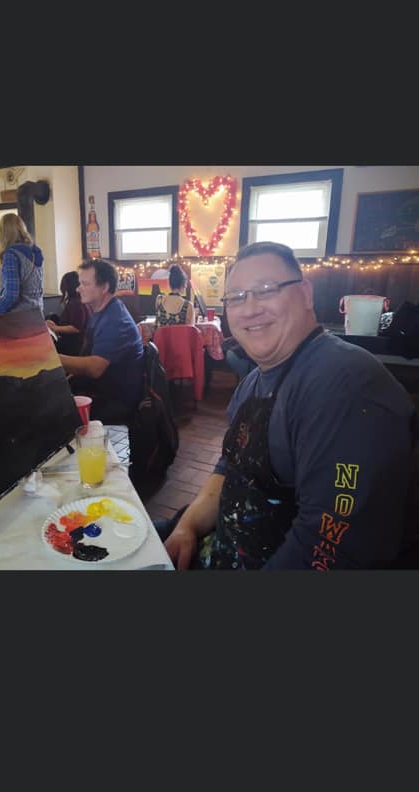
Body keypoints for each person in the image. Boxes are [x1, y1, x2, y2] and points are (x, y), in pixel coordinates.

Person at [161, 241, 419, 570]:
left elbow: (330, 547)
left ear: (306, 294)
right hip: (215, 543)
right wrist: (187, 527)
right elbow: (230, 467)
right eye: (236, 297)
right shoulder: (252, 383)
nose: (249, 309)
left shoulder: (349, 388)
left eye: (267, 290)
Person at [59, 259, 144, 424]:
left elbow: (95, 369)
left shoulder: (115, 320)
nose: (78, 289)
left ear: (104, 287)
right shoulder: (103, 311)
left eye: (85, 284)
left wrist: (53, 359)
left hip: (116, 400)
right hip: (103, 390)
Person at [0, 213, 44, 316]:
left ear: (3, 233)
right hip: (37, 314)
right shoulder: (35, 252)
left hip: (18, 317)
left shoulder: (11, 255)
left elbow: (12, 295)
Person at [45, 271, 91, 357]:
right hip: (76, 343)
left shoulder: (76, 303)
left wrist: (55, 328)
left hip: (74, 346)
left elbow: (75, 328)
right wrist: (54, 324)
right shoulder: (79, 300)